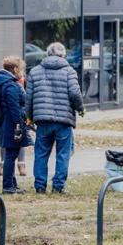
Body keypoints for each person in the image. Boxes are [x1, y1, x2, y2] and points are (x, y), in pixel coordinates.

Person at [26, 42, 85, 194]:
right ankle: (58, 187)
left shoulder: (34, 72)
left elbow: (29, 98)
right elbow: (75, 94)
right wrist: (80, 109)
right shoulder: (69, 71)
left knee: (41, 154)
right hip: (63, 121)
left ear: (47, 54)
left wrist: (29, 117)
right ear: (63, 55)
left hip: (42, 121)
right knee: (63, 154)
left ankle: (40, 186)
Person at [0, 56, 33, 194]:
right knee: (10, 156)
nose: (22, 73)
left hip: (9, 123)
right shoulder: (10, 85)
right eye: (21, 69)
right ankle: (8, 187)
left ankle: (12, 184)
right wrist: (20, 124)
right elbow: (14, 108)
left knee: (12, 154)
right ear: (15, 69)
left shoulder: (5, 82)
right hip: (12, 125)